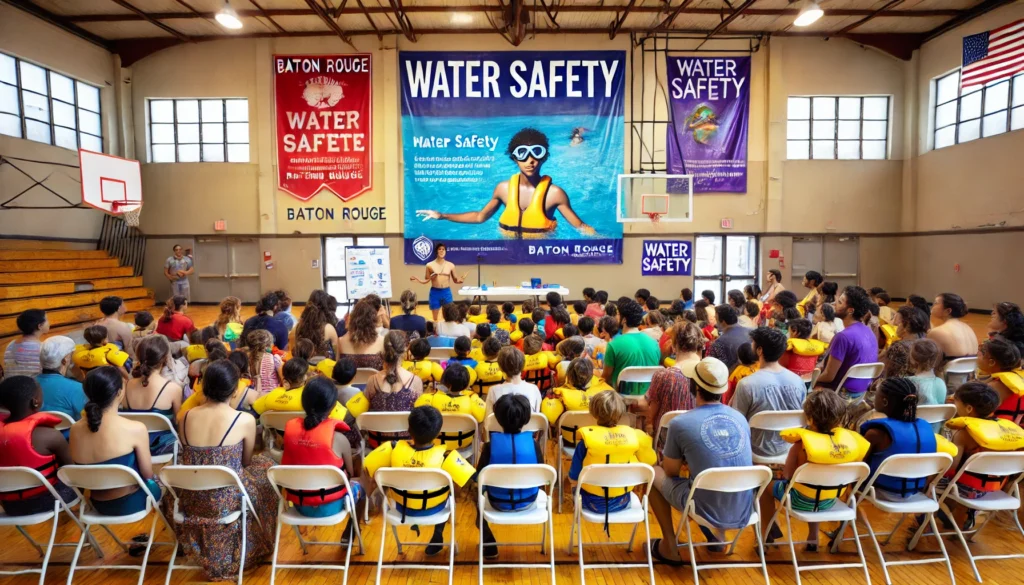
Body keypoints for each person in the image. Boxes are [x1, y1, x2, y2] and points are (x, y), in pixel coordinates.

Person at [170, 360, 277, 581]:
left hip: (191, 497)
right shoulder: (244, 419)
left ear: (203, 386)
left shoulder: (185, 417)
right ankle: (256, 542)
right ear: (235, 390)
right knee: (268, 469)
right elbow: (245, 462)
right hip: (227, 498)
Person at [649, 357, 754, 562]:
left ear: (694, 387)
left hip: (704, 506)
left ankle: (669, 546)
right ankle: (719, 538)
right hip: (744, 507)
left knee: (654, 473)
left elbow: (670, 471)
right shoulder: (741, 418)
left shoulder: (680, 423)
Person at [416, 128, 596, 241]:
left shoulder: (554, 194)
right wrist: (442, 216)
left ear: (544, 157)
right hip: (508, 252)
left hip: (539, 253)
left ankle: (577, 137)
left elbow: (581, 228)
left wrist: (608, 242)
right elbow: (480, 217)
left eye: (536, 154)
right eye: (522, 154)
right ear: (514, 158)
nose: (530, 161)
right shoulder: (503, 189)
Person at [762, 390, 869, 550]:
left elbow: (788, 475)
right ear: (839, 418)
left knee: (765, 487)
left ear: (810, 418)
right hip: (829, 501)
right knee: (820, 484)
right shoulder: (850, 444)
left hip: (799, 501)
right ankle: (813, 537)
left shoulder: (800, 446)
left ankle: (766, 536)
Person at [363, 405, 476, 555]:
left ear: (409, 430)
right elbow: (465, 483)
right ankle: (437, 535)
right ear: (438, 432)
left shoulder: (392, 449)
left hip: (401, 508)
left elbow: (366, 468)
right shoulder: (446, 457)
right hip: (436, 509)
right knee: (450, 493)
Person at [70, 367, 162, 516]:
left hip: (96, 504)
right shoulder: (135, 428)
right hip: (133, 502)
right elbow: (147, 474)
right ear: (119, 393)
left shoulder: (74, 429)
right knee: (163, 486)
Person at [281, 376, 363, 523]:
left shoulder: (289, 434)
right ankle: (350, 534)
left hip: (300, 505)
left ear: (303, 403)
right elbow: (349, 474)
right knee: (361, 485)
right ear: (332, 407)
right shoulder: (339, 439)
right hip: (332, 506)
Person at [860, 378, 955, 504]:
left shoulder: (877, 433)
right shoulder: (926, 428)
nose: (873, 398)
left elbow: (861, 466)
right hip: (916, 493)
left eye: (875, 394)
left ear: (884, 401)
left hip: (879, 491)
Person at [941, 382, 1024, 527]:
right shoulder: (1007, 429)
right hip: (995, 490)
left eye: (956, 401)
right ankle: (962, 517)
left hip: (967, 491)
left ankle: (925, 529)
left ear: (968, 408)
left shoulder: (963, 433)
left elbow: (951, 467)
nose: (954, 404)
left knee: (930, 484)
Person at [568, 391, 656, 524]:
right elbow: (651, 462)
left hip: (591, 503)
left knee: (574, 486)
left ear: (593, 412)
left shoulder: (586, 443)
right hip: (622, 501)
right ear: (621, 413)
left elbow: (573, 477)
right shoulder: (636, 437)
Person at [477, 394, 545, 557]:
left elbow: (478, 479)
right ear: (527, 418)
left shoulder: (490, 446)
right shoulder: (534, 445)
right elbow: (543, 477)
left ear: (498, 419)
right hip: (529, 502)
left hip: (497, 503)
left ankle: (488, 541)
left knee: (477, 493)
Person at [0, 375, 77, 516]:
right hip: (49, 501)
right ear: (35, 402)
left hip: (9, 505)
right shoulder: (49, 436)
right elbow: (72, 471)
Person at [732, 327, 808, 460]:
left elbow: (737, 424)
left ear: (759, 350)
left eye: (753, 343)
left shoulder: (746, 384)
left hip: (754, 451)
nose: (751, 346)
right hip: (788, 448)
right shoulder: (798, 381)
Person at [123, 335, 183, 455]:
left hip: (131, 445)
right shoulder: (173, 389)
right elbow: (178, 422)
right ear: (165, 358)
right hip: (162, 447)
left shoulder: (126, 385)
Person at [815, 286, 878, 400]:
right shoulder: (869, 332)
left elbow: (829, 376)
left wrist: (810, 378)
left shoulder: (843, 337)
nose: (834, 304)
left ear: (850, 310)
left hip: (840, 395)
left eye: (839, 302)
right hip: (860, 394)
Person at [641, 322, 703, 432]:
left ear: (674, 347)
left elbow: (650, 412)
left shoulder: (663, 376)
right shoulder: (712, 373)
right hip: (701, 436)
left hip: (667, 442)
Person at [414, 363, 485, 455]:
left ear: (445, 382)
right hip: (464, 448)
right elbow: (481, 417)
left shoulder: (428, 399)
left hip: (435, 447)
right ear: (466, 384)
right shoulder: (472, 401)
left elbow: (417, 410)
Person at [602, 299, 661, 395]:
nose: (616, 317)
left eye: (617, 314)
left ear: (624, 319)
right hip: (648, 399)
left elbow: (605, 378)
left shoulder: (614, 345)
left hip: (621, 400)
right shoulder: (654, 344)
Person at [365, 331, 423, 413]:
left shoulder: (373, 381)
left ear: (384, 351)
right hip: (405, 426)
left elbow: (365, 410)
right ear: (405, 350)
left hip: (377, 426)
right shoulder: (416, 381)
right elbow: (419, 414)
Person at [409, 244, 467, 321]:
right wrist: (428, 277)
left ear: (445, 251)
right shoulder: (429, 265)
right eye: (440, 249)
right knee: (435, 318)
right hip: (435, 292)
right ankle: (436, 330)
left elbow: (455, 280)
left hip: (446, 292)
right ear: (436, 251)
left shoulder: (451, 265)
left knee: (449, 315)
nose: (442, 251)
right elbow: (426, 279)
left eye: (443, 249)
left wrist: (460, 280)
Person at [36, 336, 87, 420]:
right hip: (69, 432)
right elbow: (86, 419)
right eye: (71, 355)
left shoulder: (29, 385)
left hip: (36, 432)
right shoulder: (77, 388)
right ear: (64, 360)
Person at [485, 346, 542, 418]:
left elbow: (488, 421)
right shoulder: (534, 389)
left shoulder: (493, 391)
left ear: (500, 368)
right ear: (523, 365)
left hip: (501, 428)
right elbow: (536, 418)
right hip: (528, 428)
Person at [977, 337, 1024, 424]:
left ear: (991, 362)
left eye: (982, 353)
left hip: (1000, 431)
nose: (978, 354)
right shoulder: (1016, 377)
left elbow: (976, 413)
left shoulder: (995, 386)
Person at [928, 293, 978, 362]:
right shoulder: (969, 328)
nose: (932, 306)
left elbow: (928, 361)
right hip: (971, 372)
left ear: (948, 311)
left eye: (936, 303)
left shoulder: (937, 332)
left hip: (948, 371)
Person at [338, 300, 385, 370]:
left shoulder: (341, 341)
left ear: (353, 319)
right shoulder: (382, 341)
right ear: (373, 320)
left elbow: (337, 368)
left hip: (349, 381)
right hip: (374, 380)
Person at [295, 290, 340, 359]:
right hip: (323, 368)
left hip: (304, 367)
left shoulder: (299, 326)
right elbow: (337, 355)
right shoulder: (328, 328)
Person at [3, 309, 48, 377]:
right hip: (32, 386)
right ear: (40, 326)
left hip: (10, 385)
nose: (49, 322)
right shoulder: (43, 348)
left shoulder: (11, 345)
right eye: (47, 319)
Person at [708, 305, 752, 372]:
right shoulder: (751, 332)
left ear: (723, 321)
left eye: (716, 319)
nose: (715, 323)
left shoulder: (719, 343)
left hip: (731, 378)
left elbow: (710, 367)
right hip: (753, 373)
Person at [908, 339, 947, 415]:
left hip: (915, 425)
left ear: (914, 359)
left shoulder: (908, 382)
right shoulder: (941, 382)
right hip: (936, 425)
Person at [96, 296, 135, 360]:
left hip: (100, 359)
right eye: (123, 304)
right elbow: (129, 350)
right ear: (119, 308)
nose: (125, 306)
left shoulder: (97, 324)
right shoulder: (123, 326)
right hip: (118, 361)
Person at [245, 329, 282, 395]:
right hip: (271, 396)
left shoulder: (247, 359)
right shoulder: (274, 358)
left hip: (253, 395)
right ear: (269, 344)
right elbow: (283, 378)